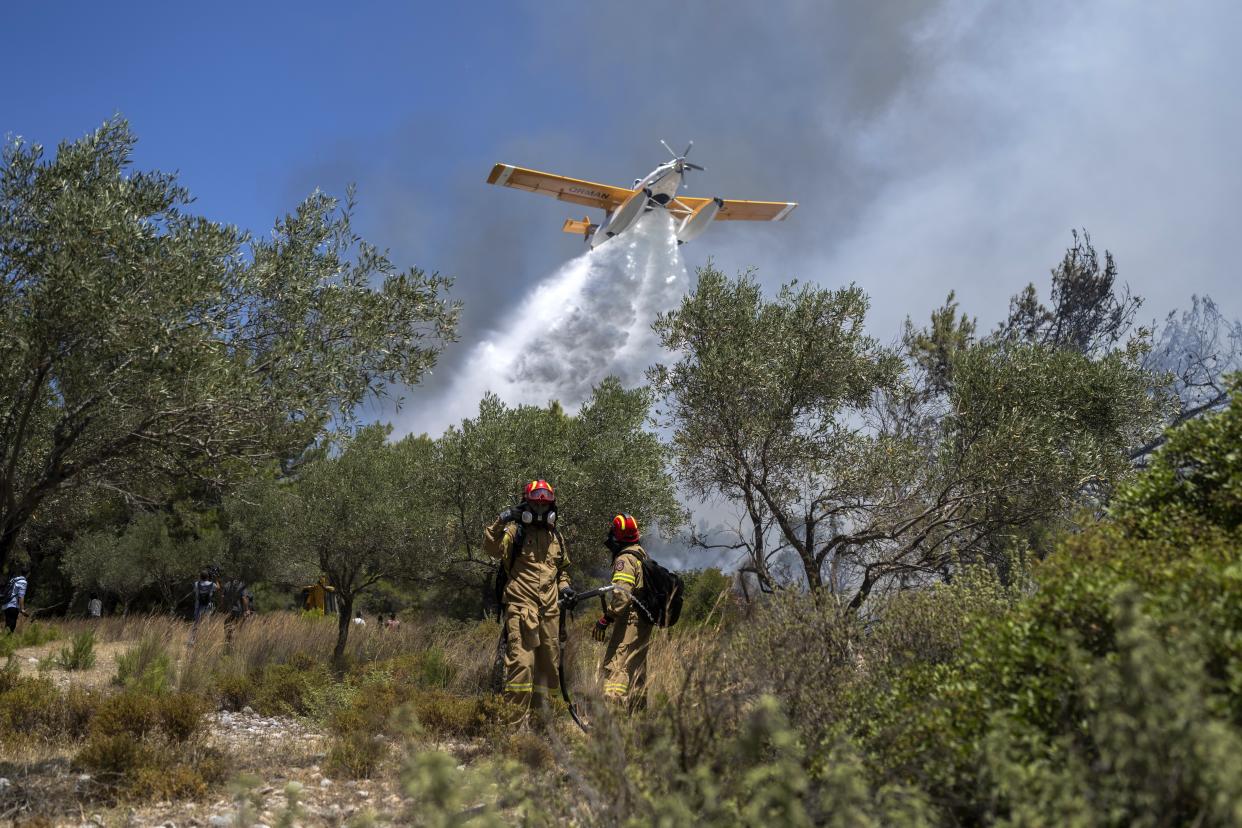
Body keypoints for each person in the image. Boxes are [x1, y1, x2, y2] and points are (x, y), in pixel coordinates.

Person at [484, 479, 573, 724]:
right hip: (521, 608)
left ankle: (544, 729)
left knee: (549, 672)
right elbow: (490, 547)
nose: (541, 512)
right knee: (521, 667)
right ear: (527, 505)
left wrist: (565, 588)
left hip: (550, 613)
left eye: (546, 507)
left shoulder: (557, 537)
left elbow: (562, 570)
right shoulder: (515, 532)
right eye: (537, 506)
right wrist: (503, 518)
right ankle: (511, 726)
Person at [592, 514, 654, 711]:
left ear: (617, 536)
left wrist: (606, 618)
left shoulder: (625, 558)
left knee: (617, 665)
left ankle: (612, 711)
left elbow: (622, 595)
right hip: (642, 621)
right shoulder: (641, 553)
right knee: (636, 666)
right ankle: (637, 714)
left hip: (630, 620)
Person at [3, 566, 29, 633]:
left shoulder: (14, 579)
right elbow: (21, 596)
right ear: (28, 573)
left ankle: (4, 640)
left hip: (6, 604)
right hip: (13, 605)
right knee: (12, 626)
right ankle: (7, 641)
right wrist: (22, 609)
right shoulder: (23, 582)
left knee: (7, 624)